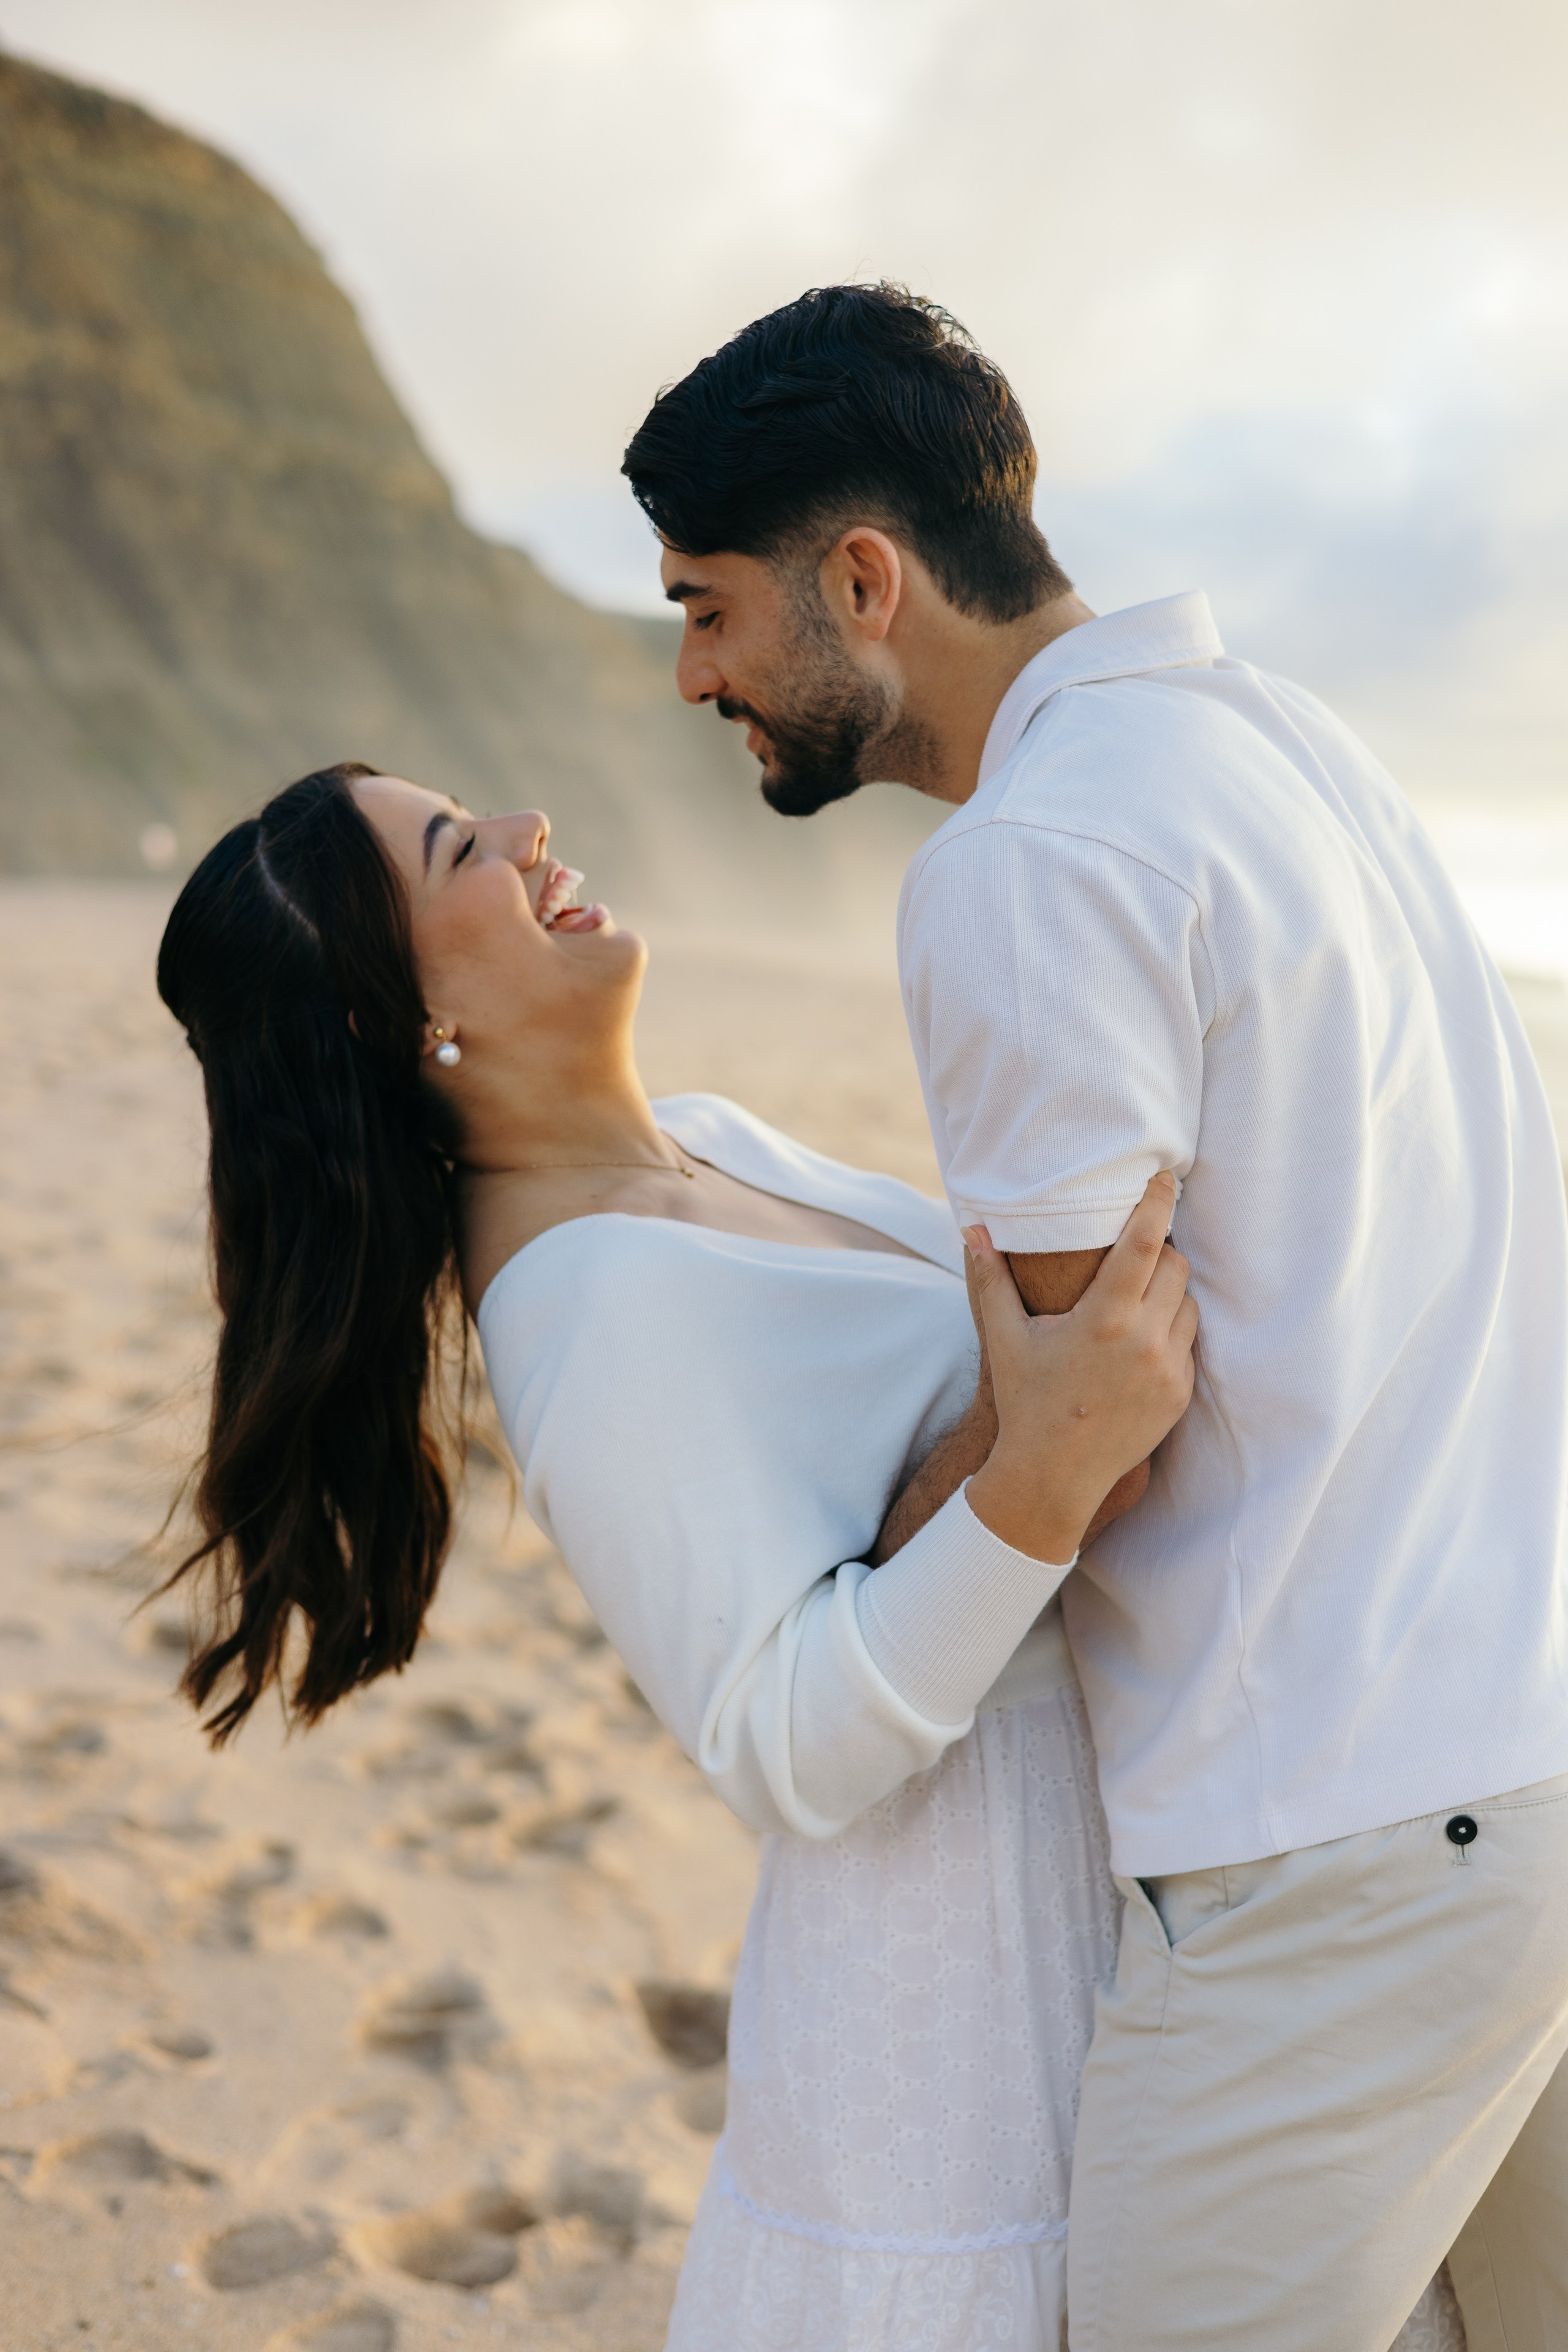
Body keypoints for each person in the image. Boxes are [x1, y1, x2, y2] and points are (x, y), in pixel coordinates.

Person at [623, 282, 1568, 2352]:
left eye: (709, 609)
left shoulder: (1030, 863)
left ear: (860, 581)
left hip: (1333, 1853)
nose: (697, 675)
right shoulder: (1286, 746)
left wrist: (860, 1568)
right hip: (1537, 1757)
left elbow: (1090, 1432)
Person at [156, 761, 1200, 2350]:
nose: (529, 836)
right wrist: (1044, 1478)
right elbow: (782, 1744)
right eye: (463, 854)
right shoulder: (589, 1303)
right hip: (968, 2005)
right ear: (416, 1023)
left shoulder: (696, 1145)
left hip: (1080, 1897)